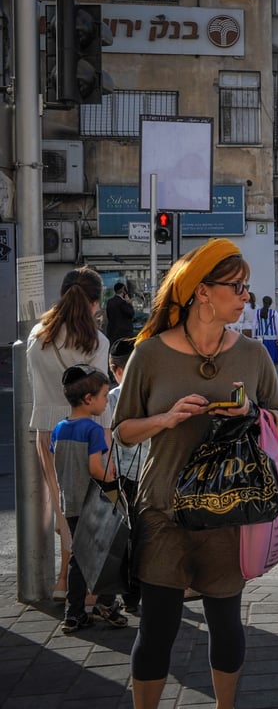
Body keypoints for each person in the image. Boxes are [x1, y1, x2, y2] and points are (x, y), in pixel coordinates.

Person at [113, 238, 278, 709]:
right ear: (202, 293)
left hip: (229, 511)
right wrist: (166, 418)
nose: (246, 296)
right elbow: (123, 431)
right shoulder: (148, 355)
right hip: (163, 509)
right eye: (238, 287)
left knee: (227, 623)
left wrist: (250, 412)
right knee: (157, 628)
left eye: (247, 288)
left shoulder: (252, 354)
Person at [27, 267, 111, 602]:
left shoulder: (38, 336)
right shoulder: (95, 341)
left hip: (48, 430)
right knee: (89, 510)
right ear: (94, 302)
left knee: (63, 508)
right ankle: (85, 587)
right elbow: (101, 398)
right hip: (87, 430)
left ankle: (63, 580)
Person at [53, 364, 125, 633]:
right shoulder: (93, 430)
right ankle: (106, 605)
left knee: (78, 559)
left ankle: (73, 613)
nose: (107, 402)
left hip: (69, 502)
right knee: (105, 555)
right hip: (92, 503)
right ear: (88, 399)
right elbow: (96, 468)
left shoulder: (60, 427)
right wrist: (112, 479)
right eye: (105, 397)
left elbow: (57, 458)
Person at [107, 336, 144, 615]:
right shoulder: (151, 391)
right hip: (152, 474)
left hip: (124, 478)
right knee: (146, 534)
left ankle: (130, 593)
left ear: (115, 369)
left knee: (126, 535)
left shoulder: (111, 398)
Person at [257, 296, 278, 364]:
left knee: (262, 358)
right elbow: (277, 326)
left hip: (261, 337)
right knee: (271, 358)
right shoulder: (274, 313)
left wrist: (254, 336)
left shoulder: (258, 312)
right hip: (272, 337)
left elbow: (254, 325)